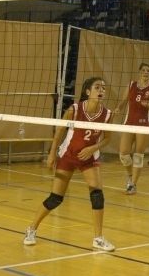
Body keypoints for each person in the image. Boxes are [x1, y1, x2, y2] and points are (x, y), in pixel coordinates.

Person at [23, 77, 115, 251]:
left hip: (89, 158)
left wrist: (93, 148)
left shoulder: (108, 114)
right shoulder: (74, 109)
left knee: (97, 192)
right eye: (97, 87)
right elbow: (59, 131)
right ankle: (31, 229)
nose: (101, 90)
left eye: (103, 87)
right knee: (55, 199)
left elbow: (108, 138)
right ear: (88, 91)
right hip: (68, 156)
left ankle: (98, 238)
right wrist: (51, 153)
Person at [115, 63, 149, 194]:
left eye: (148, 71)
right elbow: (123, 101)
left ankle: (133, 184)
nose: (146, 72)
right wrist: (118, 108)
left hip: (144, 123)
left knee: (138, 154)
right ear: (139, 72)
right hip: (129, 122)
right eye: (144, 70)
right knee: (123, 154)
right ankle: (130, 175)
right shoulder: (131, 85)